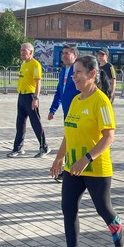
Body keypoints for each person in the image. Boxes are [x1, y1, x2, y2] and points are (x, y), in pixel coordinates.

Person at [50, 55, 124, 247]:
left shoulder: (101, 101)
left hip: (95, 167)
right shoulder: (76, 100)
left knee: (104, 210)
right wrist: (59, 159)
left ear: (92, 74)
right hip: (73, 167)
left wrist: (86, 158)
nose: (74, 76)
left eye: (78, 72)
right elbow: (69, 134)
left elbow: (109, 137)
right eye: (74, 72)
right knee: (68, 208)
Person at [7, 42, 51, 158]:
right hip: (21, 96)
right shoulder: (23, 64)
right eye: (21, 51)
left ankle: (44, 147)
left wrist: (36, 98)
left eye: (24, 51)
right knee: (20, 123)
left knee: (36, 123)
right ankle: (18, 148)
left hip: (30, 97)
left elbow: (38, 82)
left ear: (31, 52)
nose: (22, 53)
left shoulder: (35, 65)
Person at [48, 44, 79, 182]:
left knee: (73, 140)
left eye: (68, 53)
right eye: (63, 53)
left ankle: (71, 168)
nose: (65, 56)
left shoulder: (77, 72)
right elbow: (59, 93)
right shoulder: (62, 72)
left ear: (75, 56)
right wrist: (52, 109)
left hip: (78, 112)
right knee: (69, 139)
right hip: (67, 112)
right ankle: (68, 169)